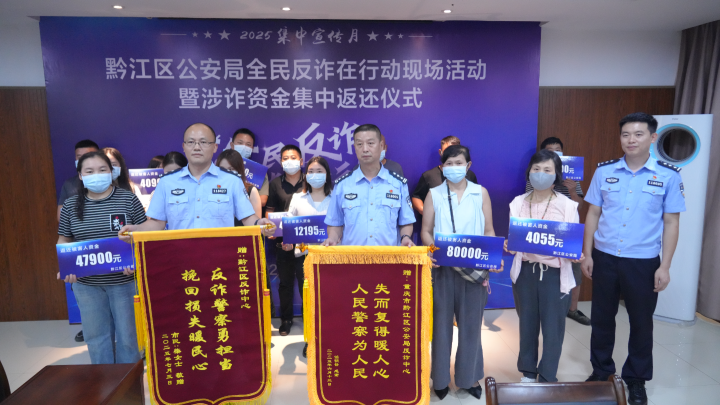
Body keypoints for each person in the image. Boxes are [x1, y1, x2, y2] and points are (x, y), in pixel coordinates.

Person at [582, 113, 684, 405]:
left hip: (643, 261)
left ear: (652, 138)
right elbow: (593, 213)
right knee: (601, 318)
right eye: (625, 134)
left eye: (638, 134)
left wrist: (665, 266)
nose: (631, 140)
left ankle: (636, 379)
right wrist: (588, 253)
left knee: (641, 322)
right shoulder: (605, 171)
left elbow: (672, 223)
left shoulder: (668, 175)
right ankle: (601, 371)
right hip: (605, 257)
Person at [420, 145, 499, 400]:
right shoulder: (434, 194)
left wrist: (492, 257)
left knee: (471, 327)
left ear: (468, 165)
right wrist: (432, 250)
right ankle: (440, 379)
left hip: (474, 269)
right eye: (449, 163)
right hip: (442, 270)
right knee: (440, 328)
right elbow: (426, 231)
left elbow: (489, 229)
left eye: (459, 163)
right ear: (442, 167)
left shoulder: (480, 193)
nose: (454, 167)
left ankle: (468, 378)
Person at [57, 151, 147, 364]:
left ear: (112, 172)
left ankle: (128, 382)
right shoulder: (70, 205)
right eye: (89, 171)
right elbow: (64, 239)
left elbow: (144, 235)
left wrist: (135, 262)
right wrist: (67, 267)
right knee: (96, 339)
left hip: (125, 282)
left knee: (129, 339)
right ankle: (105, 382)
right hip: (87, 286)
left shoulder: (128, 199)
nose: (96, 175)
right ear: (80, 176)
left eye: (102, 169)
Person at [504, 149, 582, 383]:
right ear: (529, 171)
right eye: (536, 169)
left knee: (553, 328)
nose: (540, 174)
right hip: (526, 273)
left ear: (556, 174)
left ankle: (548, 375)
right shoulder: (517, 203)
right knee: (527, 324)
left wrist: (575, 254)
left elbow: (572, 244)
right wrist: (510, 244)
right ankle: (528, 372)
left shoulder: (568, 206)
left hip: (554, 275)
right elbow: (515, 240)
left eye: (547, 170)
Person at [118, 123, 275, 238]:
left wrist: (259, 224)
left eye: (203, 142)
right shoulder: (167, 182)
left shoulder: (232, 181)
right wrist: (136, 230)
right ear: (184, 146)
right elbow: (157, 223)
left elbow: (247, 217)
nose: (197, 147)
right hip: (180, 258)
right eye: (191, 142)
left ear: (215, 147)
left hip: (220, 258)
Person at [524, 137, 589, 326]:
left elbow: (580, 205)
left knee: (573, 270)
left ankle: (572, 310)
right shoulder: (536, 175)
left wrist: (573, 190)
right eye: (550, 150)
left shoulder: (572, 176)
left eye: (558, 149)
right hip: (543, 230)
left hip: (567, 230)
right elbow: (527, 202)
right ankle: (544, 309)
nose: (554, 153)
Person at [323, 124, 416, 247]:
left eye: (370, 143)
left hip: (388, 257)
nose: (365, 149)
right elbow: (335, 223)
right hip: (352, 257)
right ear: (354, 147)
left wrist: (405, 237)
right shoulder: (342, 185)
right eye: (359, 144)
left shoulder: (397, 184)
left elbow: (406, 221)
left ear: (381, 146)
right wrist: (332, 238)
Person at [286, 156, 333, 357]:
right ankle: (310, 340)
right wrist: (287, 240)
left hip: (331, 258)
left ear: (327, 174)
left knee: (330, 300)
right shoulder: (298, 198)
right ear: (305, 175)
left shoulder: (336, 198)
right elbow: (289, 225)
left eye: (319, 171)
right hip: (305, 258)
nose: (315, 175)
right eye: (311, 171)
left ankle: (330, 338)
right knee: (309, 300)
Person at [265, 145, 306, 336]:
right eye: (285, 158)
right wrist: (270, 228)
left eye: (293, 157)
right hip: (283, 242)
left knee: (307, 282)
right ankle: (286, 319)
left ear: (301, 161)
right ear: (281, 162)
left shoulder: (310, 181)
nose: (290, 161)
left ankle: (309, 317)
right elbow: (269, 212)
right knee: (285, 282)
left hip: (306, 242)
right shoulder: (275, 184)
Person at [412, 136, 478, 215]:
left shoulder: (470, 175)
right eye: (446, 151)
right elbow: (417, 196)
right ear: (440, 152)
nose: (450, 155)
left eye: (455, 152)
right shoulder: (428, 176)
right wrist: (425, 212)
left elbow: (476, 198)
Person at [57, 139, 100, 222]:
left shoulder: (106, 181)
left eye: (87, 156)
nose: (83, 160)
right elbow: (61, 217)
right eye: (79, 157)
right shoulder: (69, 184)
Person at [216, 149, 262, 220]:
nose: (226, 173)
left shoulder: (251, 191)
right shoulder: (213, 189)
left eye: (230, 169)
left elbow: (256, 224)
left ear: (239, 169)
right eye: (222, 169)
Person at [231, 128, 271, 207]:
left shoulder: (259, 172)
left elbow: (262, 201)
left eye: (248, 144)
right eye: (240, 143)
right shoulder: (221, 167)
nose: (244, 147)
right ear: (232, 145)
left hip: (249, 213)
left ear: (252, 148)